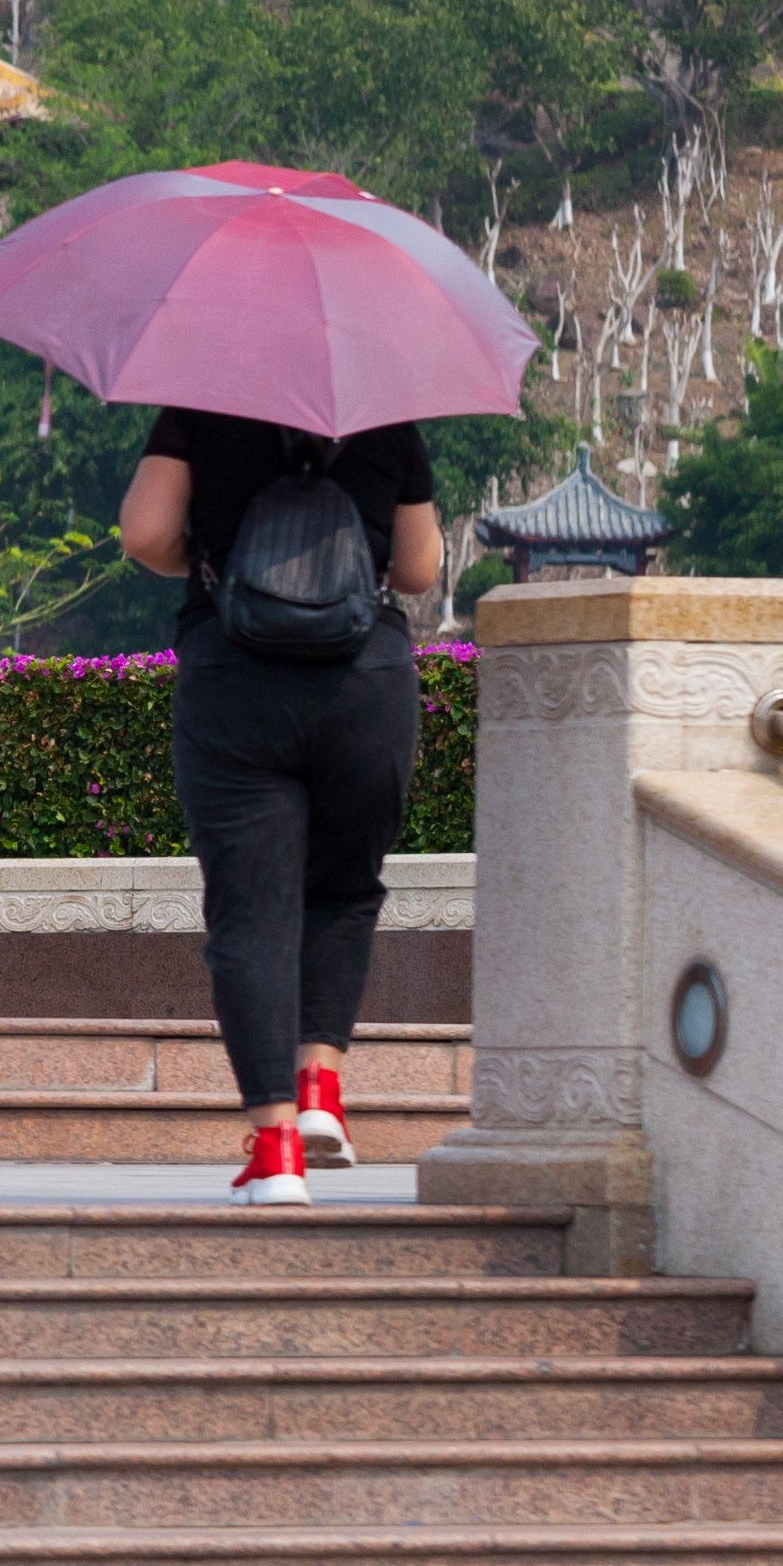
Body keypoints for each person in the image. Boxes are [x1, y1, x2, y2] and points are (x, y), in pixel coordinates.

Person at [120, 406, 450, 1208]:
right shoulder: (389, 416)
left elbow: (145, 533)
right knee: (342, 890)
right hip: (363, 684)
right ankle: (321, 1093)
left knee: (251, 912)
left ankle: (274, 1154)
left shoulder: (199, 407)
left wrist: (214, 546)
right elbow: (417, 569)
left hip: (235, 677)